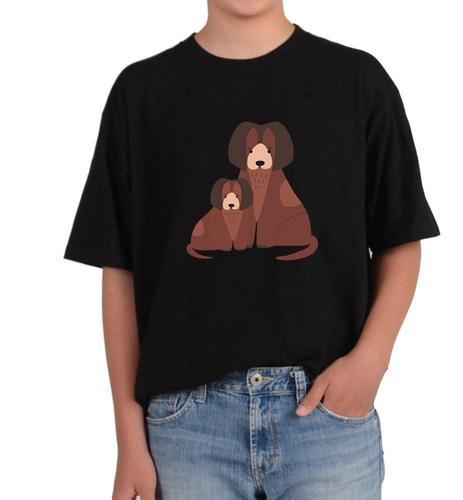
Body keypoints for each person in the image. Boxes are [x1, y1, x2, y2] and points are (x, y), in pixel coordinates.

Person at [64, 1, 440, 498]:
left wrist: (371, 361)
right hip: (186, 428)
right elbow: (120, 271)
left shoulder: (357, 82)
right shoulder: (141, 93)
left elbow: (401, 239)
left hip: (325, 417)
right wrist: (127, 436)